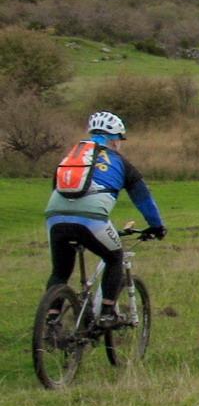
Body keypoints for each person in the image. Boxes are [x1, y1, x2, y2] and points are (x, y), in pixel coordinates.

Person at [44, 111, 166, 328]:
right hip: (92, 220)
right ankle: (108, 313)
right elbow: (143, 198)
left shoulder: (72, 157)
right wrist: (157, 226)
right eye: (120, 139)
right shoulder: (120, 162)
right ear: (114, 139)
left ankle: (52, 320)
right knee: (114, 257)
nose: (120, 144)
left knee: (60, 271)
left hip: (55, 218)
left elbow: (57, 188)